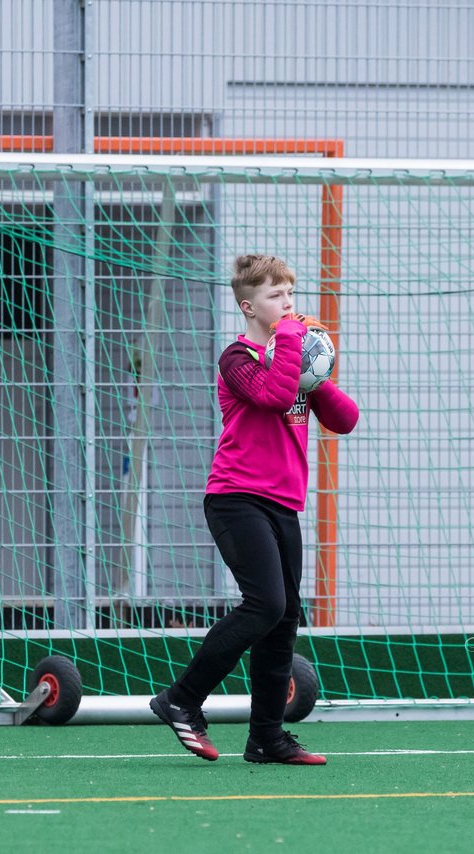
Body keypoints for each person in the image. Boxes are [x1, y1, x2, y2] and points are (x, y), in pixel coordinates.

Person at [149, 254, 359, 765]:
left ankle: (267, 737)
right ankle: (180, 698)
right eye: (274, 297)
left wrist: (320, 375)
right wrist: (291, 342)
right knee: (263, 604)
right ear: (248, 306)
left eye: (290, 294)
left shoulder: (294, 362)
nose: (287, 305)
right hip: (235, 498)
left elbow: (346, 419)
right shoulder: (237, 360)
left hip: (283, 505)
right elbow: (275, 394)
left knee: (284, 617)